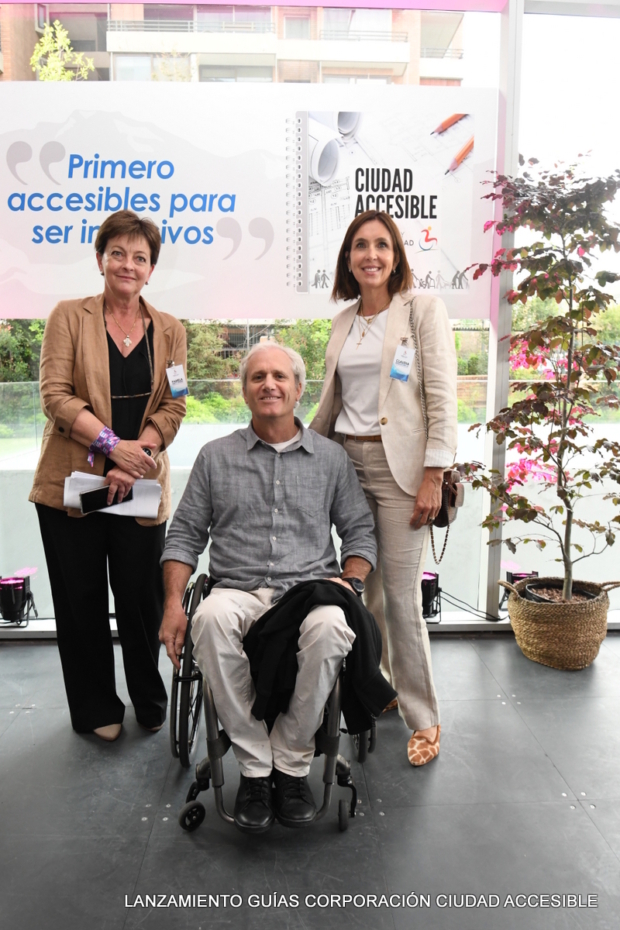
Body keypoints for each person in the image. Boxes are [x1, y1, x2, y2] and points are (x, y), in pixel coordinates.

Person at [159, 342, 378, 834]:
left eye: (280, 376)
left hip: (308, 590)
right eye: (257, 377)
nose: (269, 385)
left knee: (332, 627)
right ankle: (256, 767)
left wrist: (350, 582)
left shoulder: (331, 459)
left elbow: (360, 533)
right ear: (244, 390)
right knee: (209, 620)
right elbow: (185, 534)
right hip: (236, 586)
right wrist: (173, 602)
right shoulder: (216, 458)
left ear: (300, 389)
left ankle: (291, 763)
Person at [29, 210, 187, 743]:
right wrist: (111, 447)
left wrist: (136, 455)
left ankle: (148, 697)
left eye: (139, 257)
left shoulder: (169, 330)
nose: (128, 264)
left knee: (141, 598)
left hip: (139, 485)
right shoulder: (68, 316)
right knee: (83, 600)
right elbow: (55, 396)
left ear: (151, 269)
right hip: (74, 488)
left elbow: (174, 406)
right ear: (100, 260)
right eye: (117, 253)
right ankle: (97, 705)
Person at [310, 210, 457, 766]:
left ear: (396, 256)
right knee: (362, 593)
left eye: (382, 245)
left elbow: (442, 397)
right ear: (348, 258)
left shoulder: (422, 311)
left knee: (399, 597)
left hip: (402, 471)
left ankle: (426, 719)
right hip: (345, 463)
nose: (371, 254)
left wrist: (434, 476)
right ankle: (383, 690)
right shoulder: (344, 321)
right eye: (360, 246)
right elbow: (333, 403)